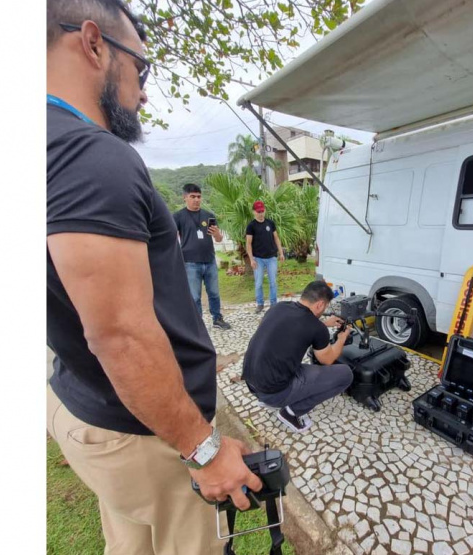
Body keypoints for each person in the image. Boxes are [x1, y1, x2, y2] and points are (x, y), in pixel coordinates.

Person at [46, 2, 261, 553]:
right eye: (141, 70)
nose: (144, 95)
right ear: (93, 44)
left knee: (130, 541)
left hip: (90, 404)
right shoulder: (90, 157)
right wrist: (204, 450)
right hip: (145, 433)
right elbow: (120, 333)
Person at [242, 280, 355, 433]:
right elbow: (327, 359)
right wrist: (342, 338)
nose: (325, 310)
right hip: (273, 392)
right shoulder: (316, 327)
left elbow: (294, 326)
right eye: (326, 306)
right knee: (346, 374)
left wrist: (323, 324)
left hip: (252, 383)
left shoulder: (279, 307)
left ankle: (268, 399)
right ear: (320, 305)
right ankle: (291, 412)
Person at [173, 183, 231, 330]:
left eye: (199, 197)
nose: (196, 200)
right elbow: (172, 238)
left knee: (214, 293)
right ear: (185, 197)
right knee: (195, 296)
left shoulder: (208, 215)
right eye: (192, 196)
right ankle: (197, 325)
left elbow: (218, 239)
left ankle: (217, 319)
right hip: (190, 262)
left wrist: (217, 234)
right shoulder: (178, 216)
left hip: (209, 260)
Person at [245, 200, 285, 314]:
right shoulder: (251, 226)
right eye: (258, 211)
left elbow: (276, 238)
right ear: (254, 212)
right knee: (258, 283)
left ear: (265, 210)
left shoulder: (270, 223)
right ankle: (260, 304)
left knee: (273, 282)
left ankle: (273, 304)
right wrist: (251, 259)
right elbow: (248, 243)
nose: (261, 213)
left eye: (262, 211)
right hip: (258, 259)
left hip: (271, 258)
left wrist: (281, 253)